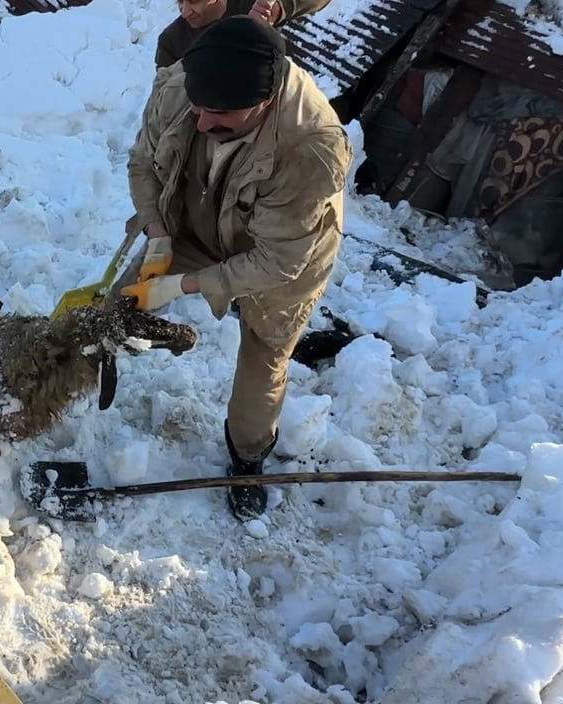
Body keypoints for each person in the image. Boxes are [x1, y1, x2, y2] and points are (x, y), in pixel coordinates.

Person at [118, 16, 353, 522]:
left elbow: (279, 259)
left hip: (283, 256)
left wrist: (185, 285)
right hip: (193, 220)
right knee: (121, 302)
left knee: (263, 362)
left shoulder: (310, 145)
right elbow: (142, 162)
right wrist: (159, 233)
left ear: (265, 102)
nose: (203, 124)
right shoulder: (183, 84)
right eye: (198, 110)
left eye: (220, 114)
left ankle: (247, 457)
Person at [153, 0, 332, 72]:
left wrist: (279, 7)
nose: (184, 12)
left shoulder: (250, 5)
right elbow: (165, 100)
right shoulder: (171, 41)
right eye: (180, 1)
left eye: (193, 1)